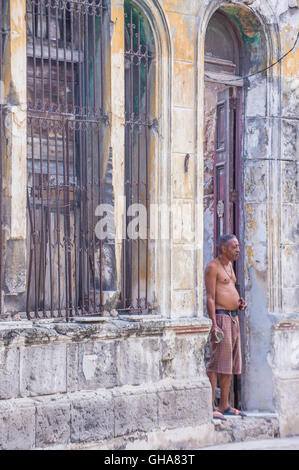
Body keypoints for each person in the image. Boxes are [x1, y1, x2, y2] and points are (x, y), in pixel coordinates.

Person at [204, 234, 247, 420]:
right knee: (216, 363)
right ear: (224, 248)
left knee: (229, 363)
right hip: (221, 319)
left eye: (238, 246)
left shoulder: (230, 265)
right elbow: (211, 298)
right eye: (234, 246)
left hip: (233, 318)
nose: (238, 249)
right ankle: (210, 406)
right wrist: (214, 325)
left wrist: (239, 302)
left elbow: (229, 290)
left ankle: (225, 405)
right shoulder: (213, 267)